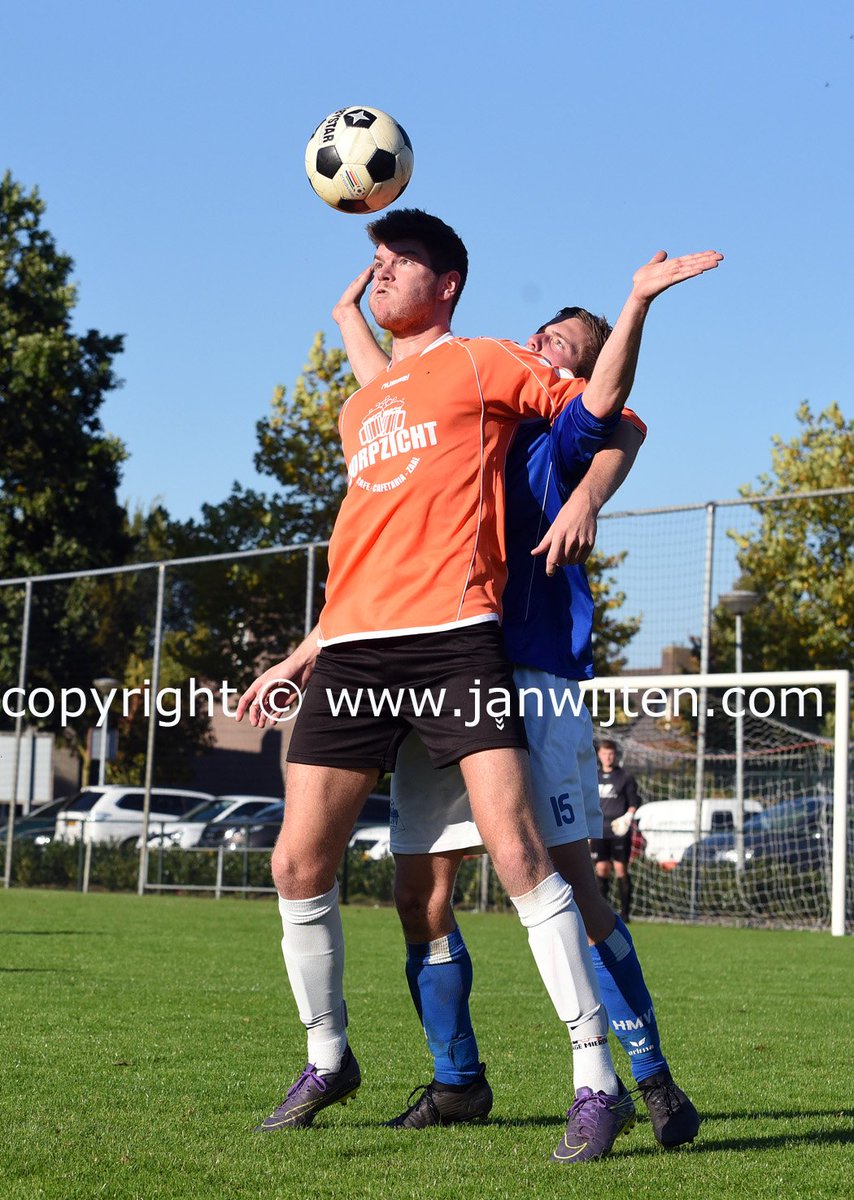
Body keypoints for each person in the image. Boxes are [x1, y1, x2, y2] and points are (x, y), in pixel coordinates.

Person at [236, 209, 721, 1163]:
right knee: (389, 881)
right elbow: (389, 430)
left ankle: (633, 1076)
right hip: (360, 650)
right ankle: (436, 1075)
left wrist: (628, 318)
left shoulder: (510, 393)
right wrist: (301, 653)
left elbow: (619, 415)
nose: (545, 345)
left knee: (550, 870)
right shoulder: (392, 406)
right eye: (375, 257)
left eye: (398, 258)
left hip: (498, 657)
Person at [593, 738, 643, 922]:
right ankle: (602, 912)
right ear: (599, 754)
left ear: (615, 755)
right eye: (605, 753)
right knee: (602, 869)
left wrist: (627, 817)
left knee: (620, 869)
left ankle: (625, 914)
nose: (608, 756)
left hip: (619, 832)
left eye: (611, 753)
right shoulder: (593, 776)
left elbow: (634, 802)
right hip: (599, 830)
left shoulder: (624, 777)